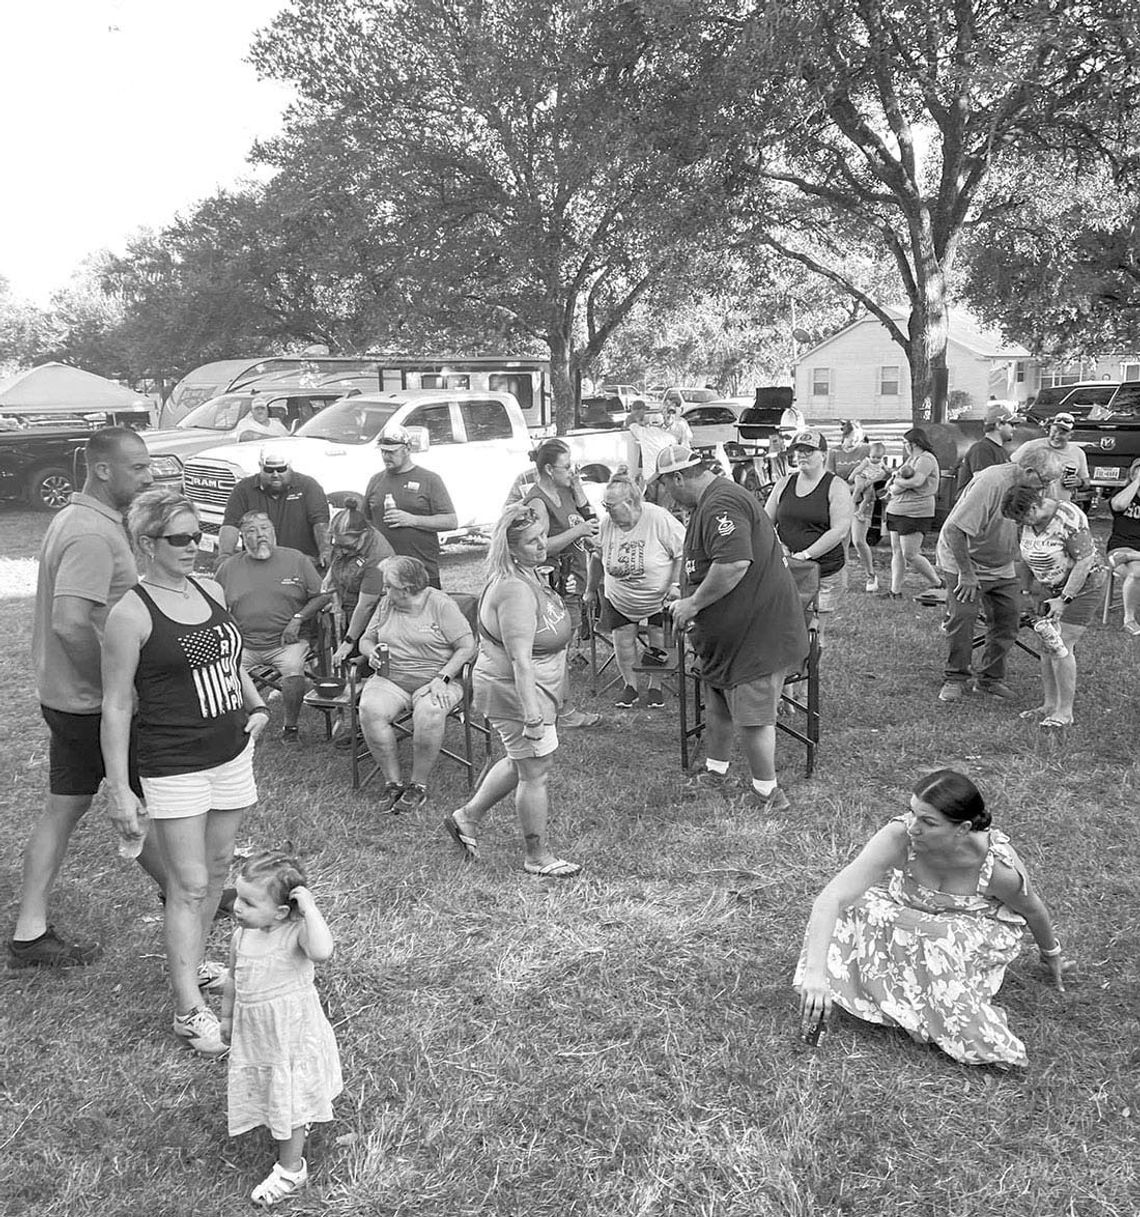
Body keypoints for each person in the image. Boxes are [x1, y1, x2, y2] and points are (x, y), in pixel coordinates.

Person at [102, 488, 269, 1058]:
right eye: (179, 539)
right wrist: (122, 791)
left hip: (231, 751)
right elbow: (117, 705)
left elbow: (229, 658)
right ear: (147, 544)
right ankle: (187, 1010)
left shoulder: (211, 588)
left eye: (198, 534)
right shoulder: (130, 614)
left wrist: (258, 704)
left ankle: (194, 968)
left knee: (218, 870)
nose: (194, 546)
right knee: (190, 883)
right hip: (174, 762)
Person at [8, 427, 166, 969]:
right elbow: (72, 624)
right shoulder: (91, 535)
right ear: (103, 470)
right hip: (92, 705)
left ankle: (29, 933)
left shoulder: (76, 518)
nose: (150, 476)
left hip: (65, 698)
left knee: (65, 806)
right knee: (151, 803)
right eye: (139, 467)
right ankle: (193, 896)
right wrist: (112, 691)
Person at [795, 769, 1066, 1068]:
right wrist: (815, 975)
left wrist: (1050, 954)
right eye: (912, 812)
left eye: (928, 822)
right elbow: (831, 898)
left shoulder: (995, 866)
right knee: (853, 904)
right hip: (913, 916)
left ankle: (940, 1010)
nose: (913, 827)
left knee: (938, 936)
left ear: (962, 829)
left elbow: (1032, 910)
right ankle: (883, 992)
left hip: (970, 932)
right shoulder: (899, 837)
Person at [659, 446, 808, 812]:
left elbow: (734, 563)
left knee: (753, 716)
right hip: (727, 638)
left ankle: (768, 793)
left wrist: (693, 604)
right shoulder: (705, 504)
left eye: (666, 485)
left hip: (756, 634)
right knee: (719, 704)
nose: (666, 495)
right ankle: (716, 770)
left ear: (679, 478)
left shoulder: (721, 503)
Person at [442, 503, 581, 877]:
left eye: (542, 538)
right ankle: (537, 857)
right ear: (511, 548)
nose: (542, 546)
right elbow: (520, 659)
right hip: (516, 690)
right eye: (532, 542)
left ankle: (466, 817)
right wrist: (532, 715)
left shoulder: (528, 574)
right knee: (535, 771)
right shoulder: (515, 590)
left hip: (531, 686)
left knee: (523, 758)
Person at [221, 849, 342, 1207]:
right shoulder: (242, 938)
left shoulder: (297, 935)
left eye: (248, 902)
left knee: (289, 1100)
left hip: (291, 1037)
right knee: (278, 1095)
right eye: (238, 897)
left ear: (282, 912)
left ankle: (291, 1169)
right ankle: (294, 1128)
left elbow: (322, 952)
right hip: (259, 1035)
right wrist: (227, 1017)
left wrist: (311, 909)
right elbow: (233, 980)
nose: (237, 908)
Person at [934, 445, 1065, 703]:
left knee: (1008, 617)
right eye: (1045, 481)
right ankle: (955, 678)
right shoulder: (991, 482)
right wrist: (967, 574)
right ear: (1028, 471)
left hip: (1001, 564)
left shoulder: (1036, 487)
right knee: (964, 615)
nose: (1048, 488)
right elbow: (954, 531)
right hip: (964, 560)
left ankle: (989, 680)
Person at [356, 556, 478, 812]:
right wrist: (371, 652)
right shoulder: (387, 604)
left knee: (430, 713)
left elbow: (468, 647)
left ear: (408, 589)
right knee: (369, 709)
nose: (384, 591)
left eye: (389, 586)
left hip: (437, 679)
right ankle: (393, 782)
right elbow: (365, 639)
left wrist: (443, 677)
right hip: (392, 677)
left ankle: (417, 785)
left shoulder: (440, 605)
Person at [215, 512, 331, 743]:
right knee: (222, 670)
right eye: (251, 531)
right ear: (241, 537)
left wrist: (298, 618)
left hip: (287, 642)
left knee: (293, 667)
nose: (260, 536)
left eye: (265, 529)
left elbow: (322, 596)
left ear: (273, 531)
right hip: (243, 644)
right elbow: (213, 605)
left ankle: (290, 728)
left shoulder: (296, 559)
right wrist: (229, 630)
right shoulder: (229, 567)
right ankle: (239, 725)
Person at [1000, 483, 1105, 729]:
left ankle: (1065, 712)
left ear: (1035, 505)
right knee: (1046, 644)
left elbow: (1084, 561)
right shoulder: (1024, 523)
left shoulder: (1069, 518)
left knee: (1061, 643)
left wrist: (1064, 599)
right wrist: (1025, 591)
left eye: (1023, 516)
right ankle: (1049, 704)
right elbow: (1022, 558)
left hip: (1082, 586)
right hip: (1048, 586)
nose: (1021, 523)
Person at [518, 438, 602, 729]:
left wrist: (578, 490)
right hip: (554, 584)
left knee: (562, 648)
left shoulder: (566, 490)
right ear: (549, 469)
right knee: (558, 650)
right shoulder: (539, 502)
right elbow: (540, 546)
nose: (572, 471)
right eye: (567, 467)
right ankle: (562, 711)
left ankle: (555, 707)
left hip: (574, 579)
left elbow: (591, 521)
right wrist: (577, 531)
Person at [587, 473, 685, 709]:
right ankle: (629, 685)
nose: (607, 512)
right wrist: (590, 590)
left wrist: (675, 585)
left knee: (659, 638)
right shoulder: (607, 523)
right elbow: (597, 558)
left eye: (610, 506)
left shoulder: (658, 518)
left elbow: (682, 552)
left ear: (629, 503)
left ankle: (655, 686)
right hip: (620, 598)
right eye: (605, 506)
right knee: (622, 639)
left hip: (659, 597)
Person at [765, 428, 853, 616]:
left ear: (823, 455)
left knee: (813, 629)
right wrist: (779, 546)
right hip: (788, 567)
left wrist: (805, 555)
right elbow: (764, 522)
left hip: (824, 571)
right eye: (799, 450)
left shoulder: (836, 486)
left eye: (809, 450)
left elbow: (839, 531)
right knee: (786, 621)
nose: (802, 455)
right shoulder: (784, 483)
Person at [362, 424, 457, 589]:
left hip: (421, 570)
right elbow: (366, 523)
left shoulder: (429, 479)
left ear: (407, 449)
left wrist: (412, 520)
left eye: (392, 451)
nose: (386, 456)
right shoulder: (376, 481)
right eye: (383, 451)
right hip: (384, 572)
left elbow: (451, 521)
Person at [220, 447, 330, 566]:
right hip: (258, 564)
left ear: (290, 466)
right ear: (260, 466)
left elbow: (321, 522)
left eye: (281, 469)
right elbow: (230, 525)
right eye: (269, 470)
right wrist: (225, 556)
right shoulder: (243, 489)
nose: (275, 474)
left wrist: (325, 550)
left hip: (302, 563)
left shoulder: (309, 486)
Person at [326, 496, 395, 662]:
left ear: (364, 535)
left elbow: (367, 605)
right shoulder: (345, 540)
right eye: (337, 545)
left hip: (374, 617)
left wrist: (349, 641)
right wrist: (331, 574)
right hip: (350, 605)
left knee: (361, 663)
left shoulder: (378, 557)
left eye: (347, 547)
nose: (341, 551)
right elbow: (339, 554)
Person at [881, 427, 945, 601]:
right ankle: (895, 591)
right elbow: (898, 482)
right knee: (897, 552)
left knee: (910, 553)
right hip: (897, 509)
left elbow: (916, 481)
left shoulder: (926, 459)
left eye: (905, 443)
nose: (904, 446)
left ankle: (938, 582)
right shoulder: (912, 459)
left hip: (916, 512)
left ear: (914, 443)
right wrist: (896, 483)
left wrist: (896, 481)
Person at [1011, 412, 1090, 503]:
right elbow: (1009, 467)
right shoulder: (1030, 446)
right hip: (1032, 504)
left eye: (1062, 433)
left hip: (1061, 505)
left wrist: (1080, 482)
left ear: (1071, 435)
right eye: (1054, 431)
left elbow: (1087, 482)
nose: (1057, 436)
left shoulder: (1078, 453)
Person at [848, 442, 890, 592]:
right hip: (843, 497)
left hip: (864, 501)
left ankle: (871, 575)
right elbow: (843, 478)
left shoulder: (869, 453)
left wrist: (868, 483)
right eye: (849, 438)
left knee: (858, 540)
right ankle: (839, 576)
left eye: (855, 439)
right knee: (839, 540)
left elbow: (885, 475)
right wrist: (856, 486)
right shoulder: (835, 453)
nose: (852, 442)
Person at [954, 404, 1019, 499]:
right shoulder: (981, 449)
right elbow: (984, 485)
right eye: (1011, 424)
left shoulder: (1001, 451)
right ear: (999, 425)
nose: (1014, 429)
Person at [1106, 457, 1140, 635]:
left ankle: (1133, 557)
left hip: (1134, 554)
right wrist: (1138, 482)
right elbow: (1118, 505)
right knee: (1137, 572)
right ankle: (1129, 619)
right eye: (1138, 470)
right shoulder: (1121, 493)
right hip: (1121, 547)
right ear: (1132, 473)